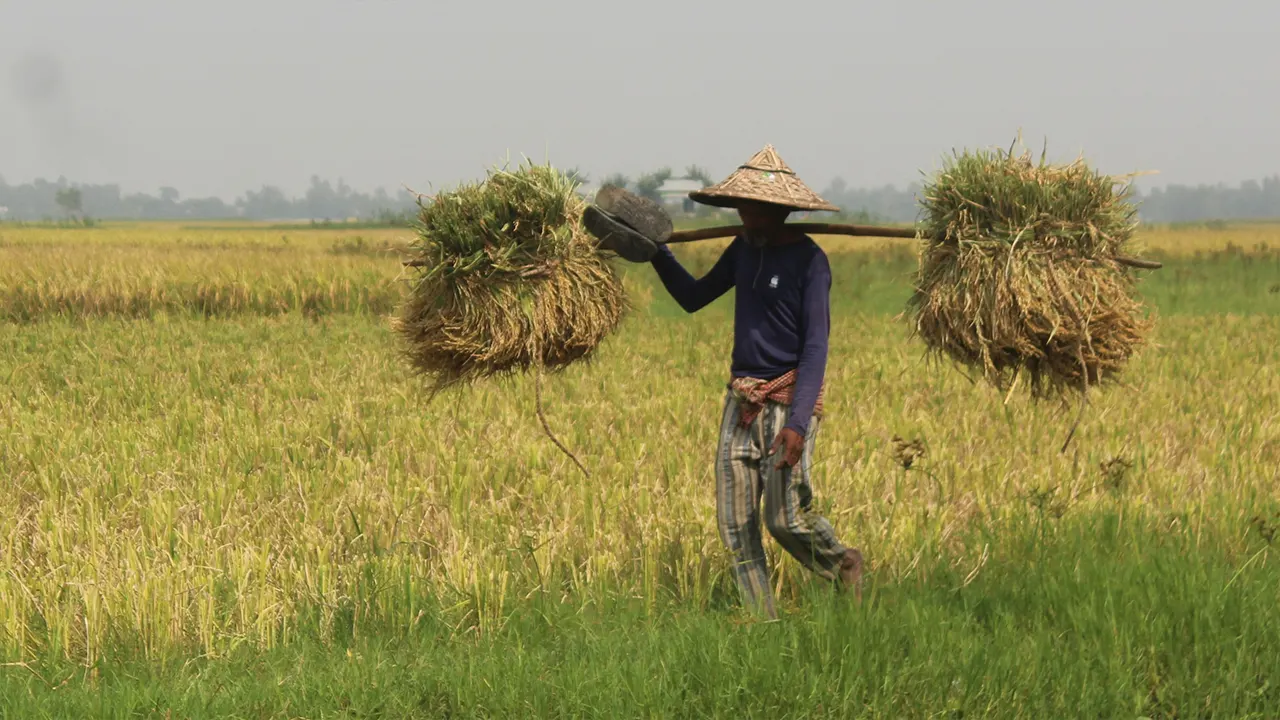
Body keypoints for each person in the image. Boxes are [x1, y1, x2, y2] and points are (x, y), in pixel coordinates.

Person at [647, 145, 864, 619]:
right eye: (740, 205)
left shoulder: (811, 262)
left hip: (786, 404)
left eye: (753, 206)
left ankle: (842, 562)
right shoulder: (742, 250)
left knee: (784, 519)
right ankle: (762, 620)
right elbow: (693, 296)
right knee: (736, 524)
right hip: (741, 401)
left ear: (779, 209)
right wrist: (657, 255)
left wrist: (800, 425)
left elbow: (815, 348)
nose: (744, 213)